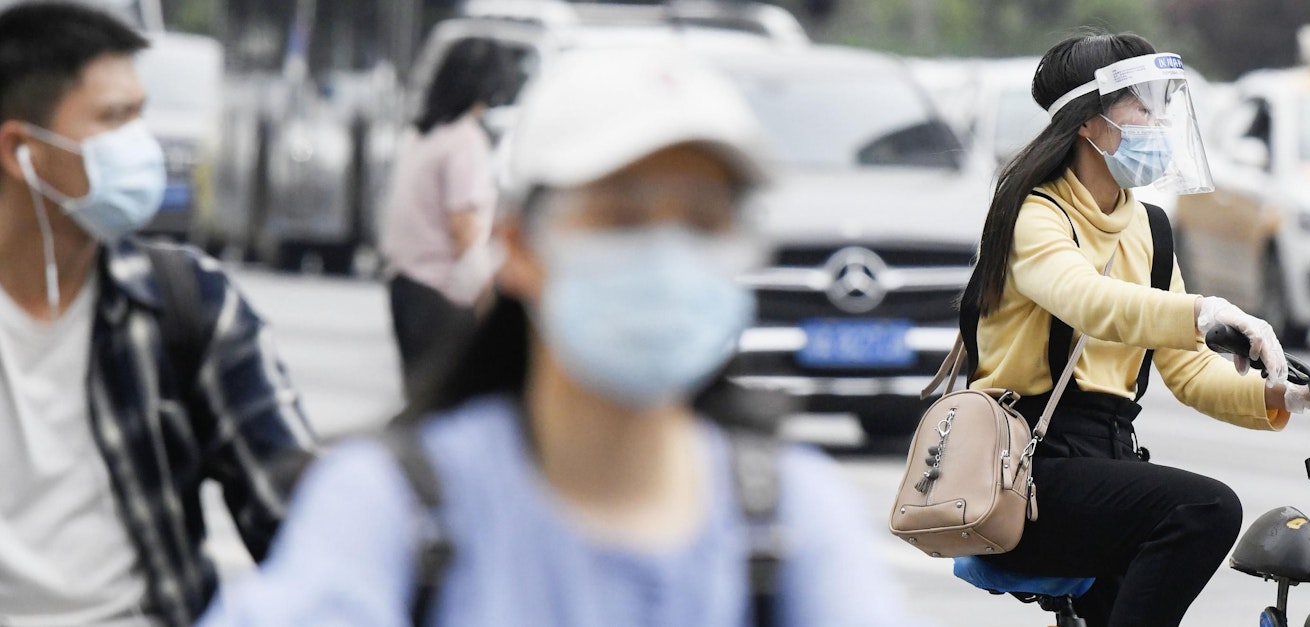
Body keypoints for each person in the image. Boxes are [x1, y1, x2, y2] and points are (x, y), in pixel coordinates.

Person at [200, 48, 917, 626]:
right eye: (620, 218)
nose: (667, 257)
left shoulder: (795, 518)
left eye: (705, 221)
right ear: (515, 245)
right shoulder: (389, 510)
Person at [962, 32, 1310, 627]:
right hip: (1029, 470)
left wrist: (1291, 392)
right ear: (1087, 122)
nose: (1157, 121)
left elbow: (1192, 374)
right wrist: (1200, 312)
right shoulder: (1035, 213)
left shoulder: (1149, 229)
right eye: (1140, 105)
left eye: (1160, 106)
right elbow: (1087, 300)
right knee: (1204, 509)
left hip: (1109, 462)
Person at [0, 2, 317, 625]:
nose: (140, 146)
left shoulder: (186, 303)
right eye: (113, 119)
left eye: (139, 115)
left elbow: (300, 518)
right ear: (22, 151)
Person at [379, 38, 517, 386]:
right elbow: (464, 226)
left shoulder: (420, 135)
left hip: (404, 287)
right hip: (443, 294)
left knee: (418, 394)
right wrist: (486, 296)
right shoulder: (465, 140)